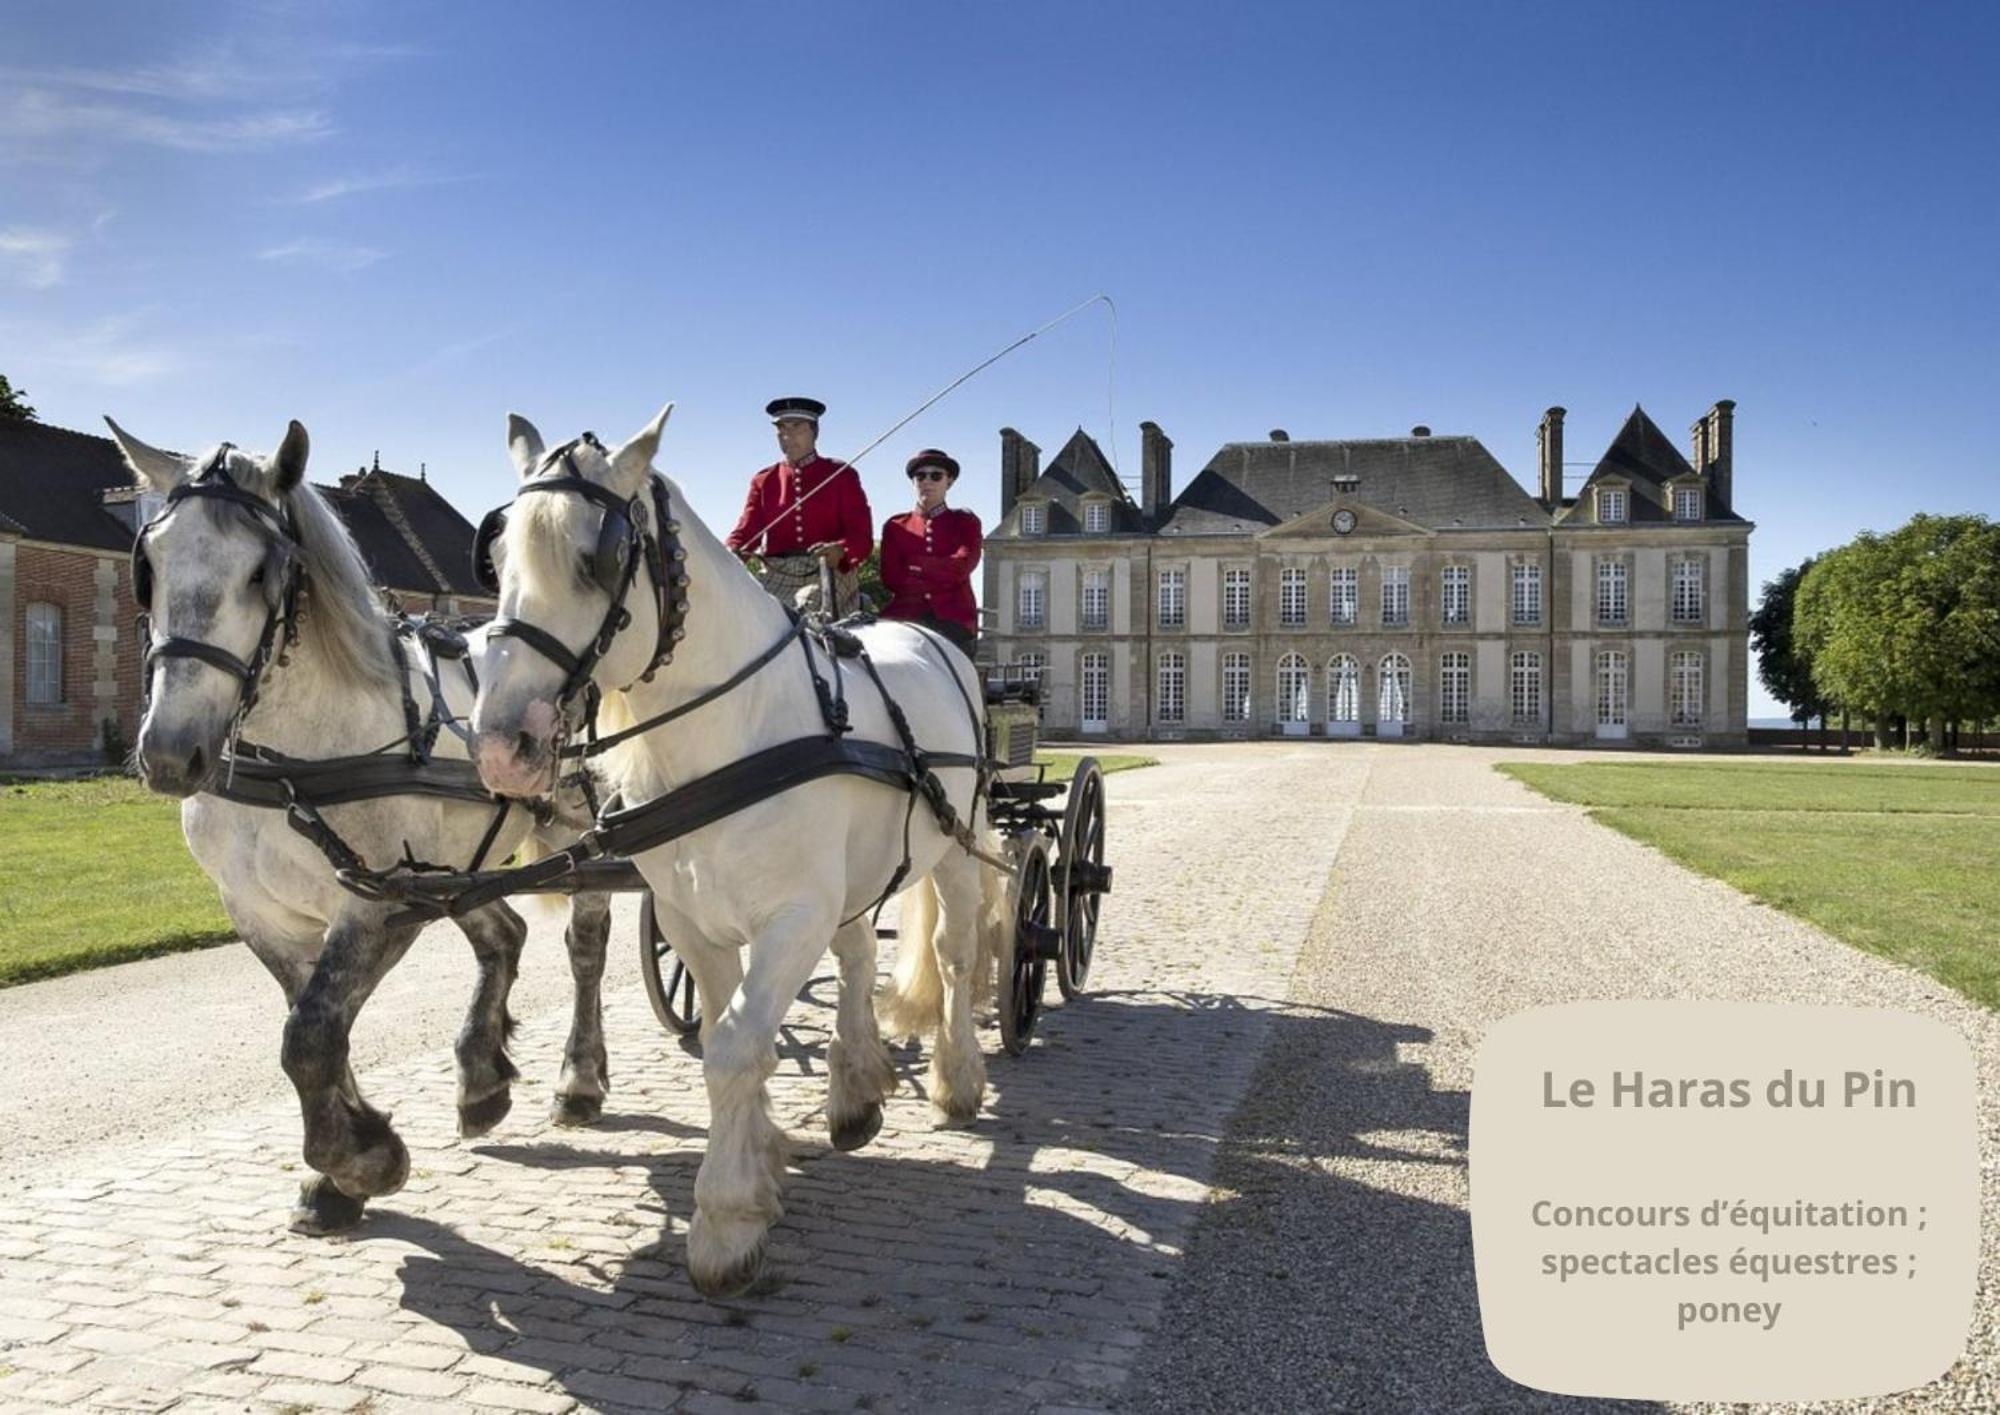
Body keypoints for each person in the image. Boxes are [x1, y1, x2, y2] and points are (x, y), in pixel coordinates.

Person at [726, 396, 872, 615]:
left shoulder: (841, 475)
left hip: (828, 573)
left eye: (797, 428)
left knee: (805, 612)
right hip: (776, 574)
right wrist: (729, 552)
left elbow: (861, 535)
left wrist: (841, 550)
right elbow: (747, 532)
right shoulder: (764, 479)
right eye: (781, 428)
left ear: (814, 432)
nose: (787, 435)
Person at [879, 448, 981, 656]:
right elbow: (891, 577)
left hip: (952, 618)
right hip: (904, 615)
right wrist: (938, 566)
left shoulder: (965, 522)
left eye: (936, 476)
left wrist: (915, 564)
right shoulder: (895, 526)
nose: (927, 481)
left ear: (949, 482)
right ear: (914, 482)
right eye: (920, 476)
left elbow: (961, 566)